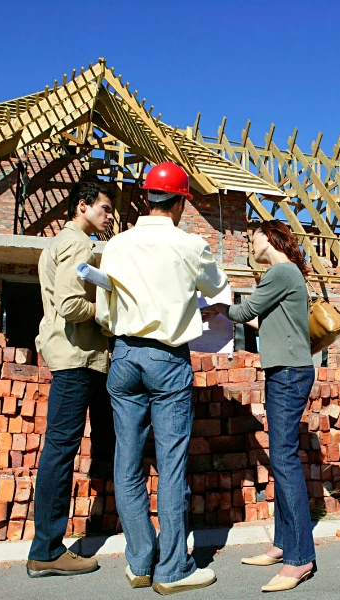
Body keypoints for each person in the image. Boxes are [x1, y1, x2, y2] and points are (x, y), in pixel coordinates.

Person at [96, 162, 227, 594]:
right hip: (168, 358)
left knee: (127, 461)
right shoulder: (189, 244)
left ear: (147, 197)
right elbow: (217, 286)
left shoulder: (115, 244)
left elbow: (102, 309)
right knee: (171, 465)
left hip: (124, 355)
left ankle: (140, 562)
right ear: (180, 204)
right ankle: (173, 569)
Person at [204, 220, 315, 594]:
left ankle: (300, 558)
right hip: (285, 372)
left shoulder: (281, 272)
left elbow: (242, 311)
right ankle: (284, 543)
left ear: (268, 238)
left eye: (251, 238)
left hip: (288, 373)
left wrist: (216, 302)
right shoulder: (285, 275)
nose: (249, 245)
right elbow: (256, 319)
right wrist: (222, 312)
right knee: (282, 457)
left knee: (284, 460)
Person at [27, 181, 116, 578]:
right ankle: (46, 549)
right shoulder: (79, 244)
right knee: (61, 451)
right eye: (105, 208)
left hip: (71, 354)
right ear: (82, 206)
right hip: (77, 357)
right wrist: (107, 311)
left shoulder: (56, 243)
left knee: (63, 447)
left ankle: (48, 545)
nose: (109, 216)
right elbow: (69, 303)